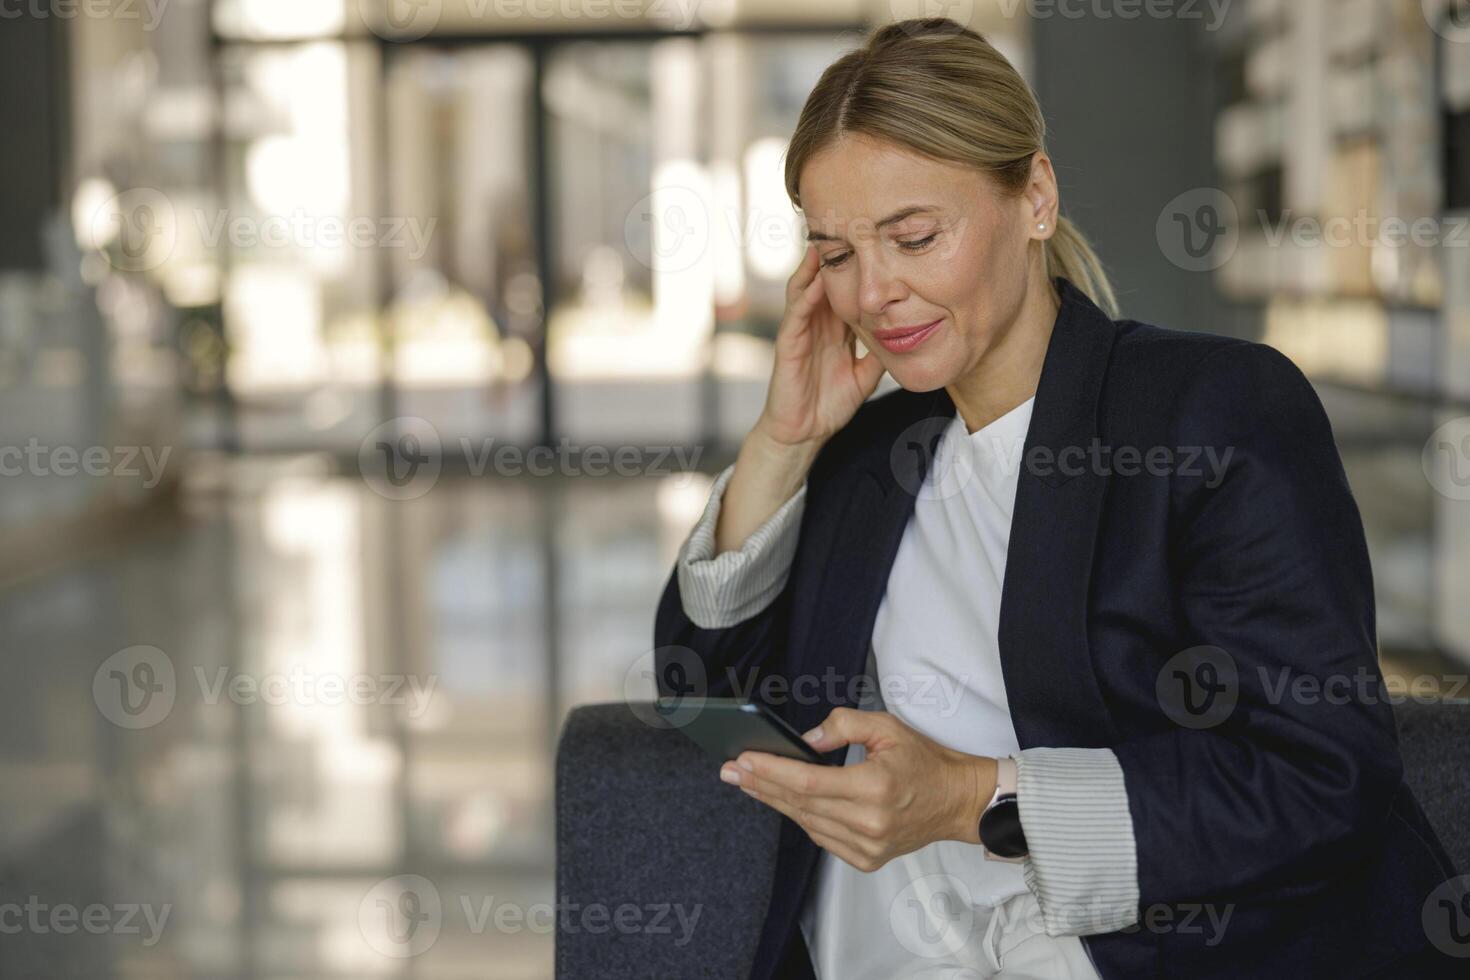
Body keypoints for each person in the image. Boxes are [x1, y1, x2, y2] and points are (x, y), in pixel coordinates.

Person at [652, 17, 1459, 979]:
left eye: (914, 237)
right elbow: (702, 692)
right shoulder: (870, 455)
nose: (874, 293)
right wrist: (782, 443)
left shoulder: (1211, 409)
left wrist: (970, 799)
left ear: (1034, 197)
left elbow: (1320, 777)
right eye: (834, 254)